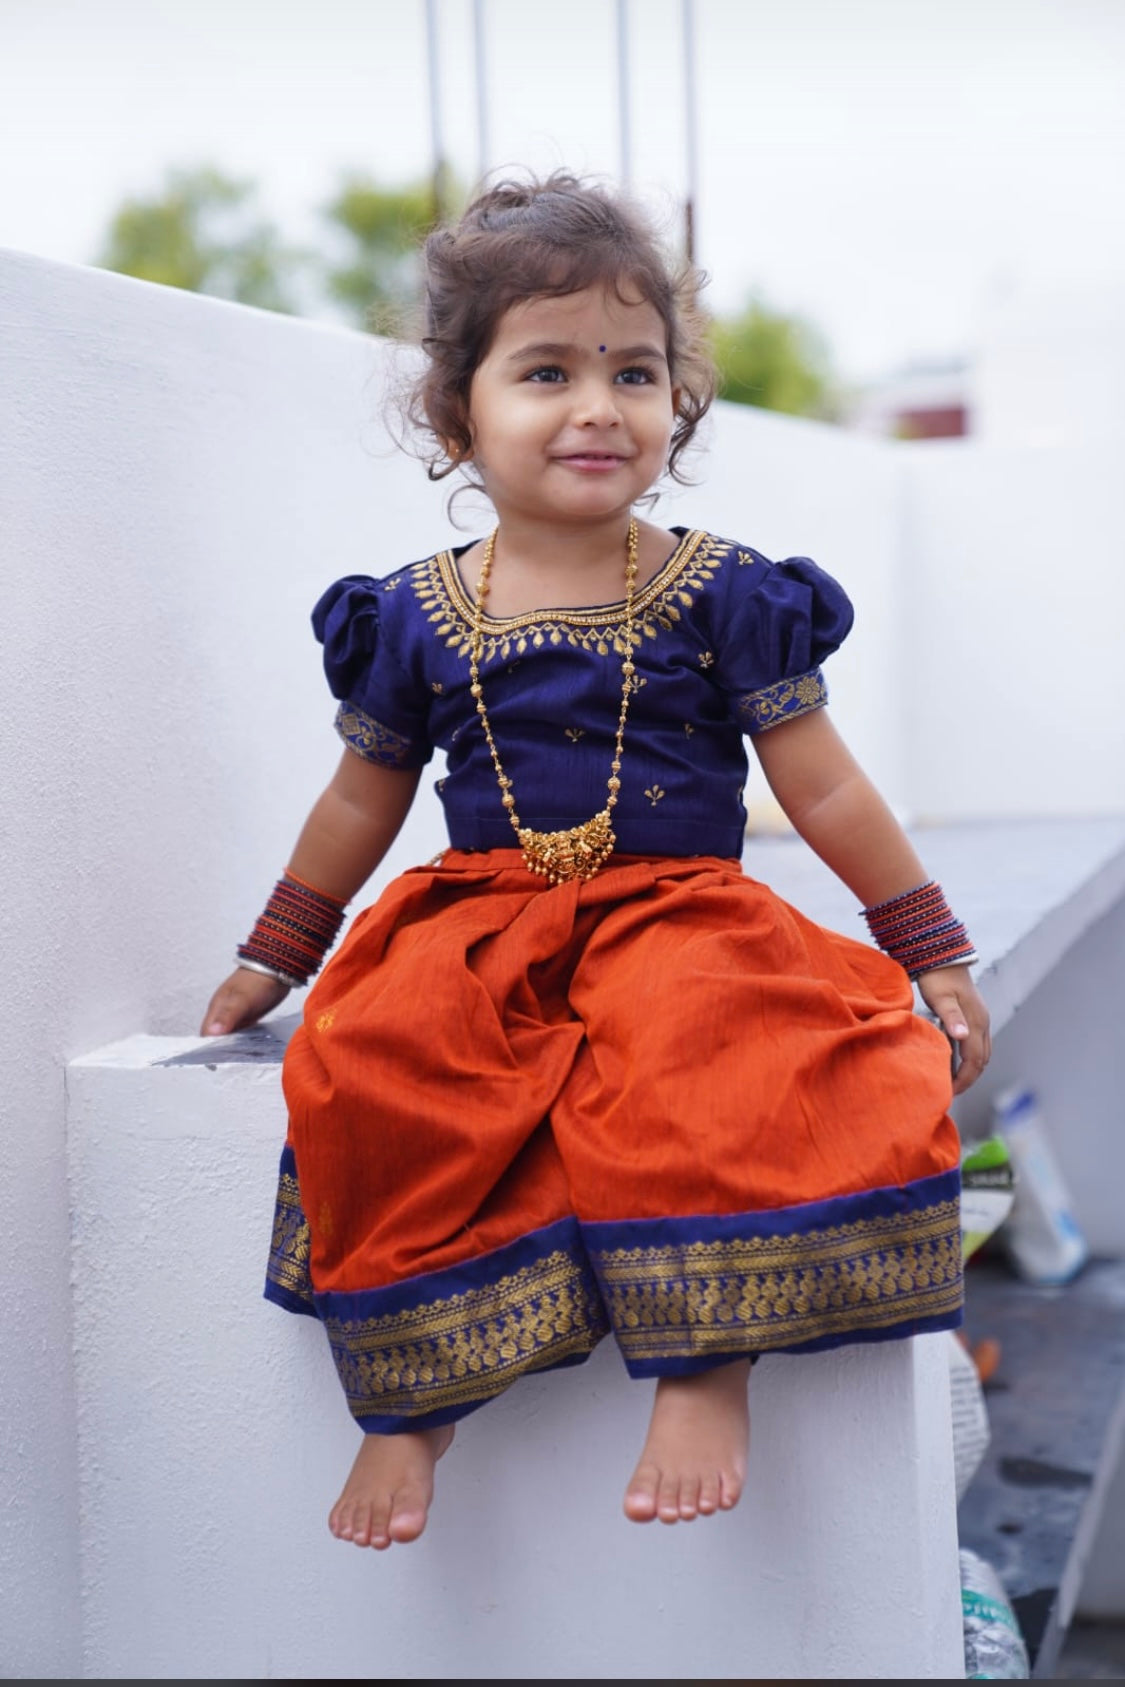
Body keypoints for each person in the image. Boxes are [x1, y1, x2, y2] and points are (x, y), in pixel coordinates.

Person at [201, 172, 990, 1552]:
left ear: (677, 403)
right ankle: (411, 1408)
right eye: (545, 369)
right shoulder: (407, 616)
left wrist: (928, 946)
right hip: (478, 921)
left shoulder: (731, 595)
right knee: (374, 1067)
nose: (595, 406)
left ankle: (703, 1370)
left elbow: (823, 784)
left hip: (684, 918)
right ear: (458, 413)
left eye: (635, 371)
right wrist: (277, 952)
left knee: (721, 1059)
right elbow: (355, 802)